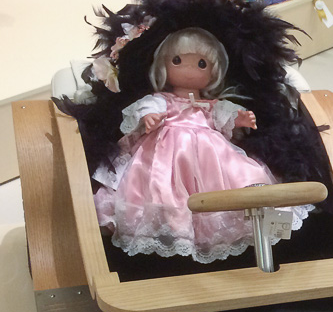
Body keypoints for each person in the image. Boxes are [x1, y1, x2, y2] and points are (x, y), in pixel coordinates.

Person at [92, 27, 310, 262]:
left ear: (214, 72)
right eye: (177, 61)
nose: (189, 70)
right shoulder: (162, 100)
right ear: (163, 66)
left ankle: (223, 229)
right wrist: (149, 117)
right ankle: (174, 229)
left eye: (201, 64)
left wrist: (240, 118)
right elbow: (146, 108)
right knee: (161, 190)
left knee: (243, 174)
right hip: (167, 154)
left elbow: (224, 115)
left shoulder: (210, 105)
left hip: (211, 157)